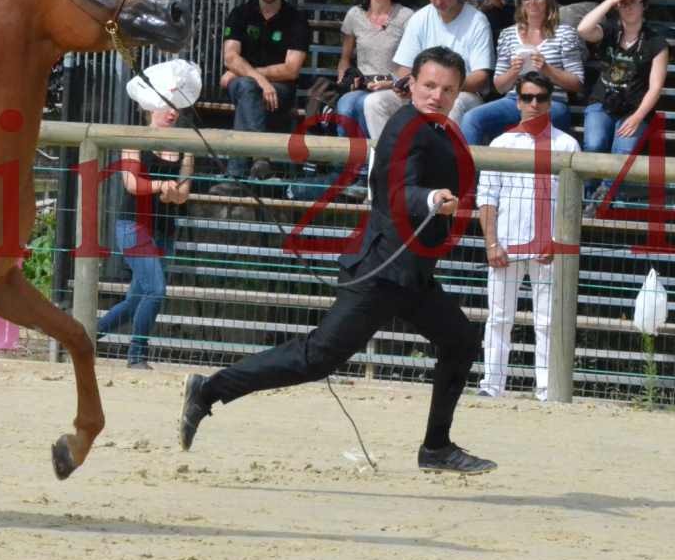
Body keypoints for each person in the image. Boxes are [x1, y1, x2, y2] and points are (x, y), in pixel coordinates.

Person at [178, 46, 496, 475]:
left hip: (411, 275)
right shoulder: (406, 129)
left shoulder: (436, 129)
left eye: (448, 89)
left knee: (460, 341)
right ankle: (209, 389)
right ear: (412, 84)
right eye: (429, 86)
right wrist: (430, 197)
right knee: (317, 358)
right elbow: (399, 191)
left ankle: (436, 448)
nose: (437, 95)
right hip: (381, 272)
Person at [476, 72, 579, 401]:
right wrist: (491, 243)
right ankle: (492, 385)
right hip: (505, 244)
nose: (534, 104)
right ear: (517, 101)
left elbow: (573, 204)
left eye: (541, 98)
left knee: (549, 322)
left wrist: (557, 241)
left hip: (548, 248)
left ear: (550, 102)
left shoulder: (567, 145)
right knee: (499, 318)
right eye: (527, 97)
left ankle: (547, 389)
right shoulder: (501, 144)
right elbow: (487, 198)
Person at [97, 61, 200, 370]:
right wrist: (161, 186)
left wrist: (172, 192)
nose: (172, 111)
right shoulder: (134, 138)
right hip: (134, 225)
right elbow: (131, 183)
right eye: (166, 105)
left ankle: (83, 338)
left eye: (175, 106)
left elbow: (183, 192)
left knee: (133, 301)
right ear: (150, 107)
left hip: (165, 229)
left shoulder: (186, 146)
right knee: (155, 290)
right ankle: (137, 355)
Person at [363, 0, 493, 139]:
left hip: (461, 94)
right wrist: (409, 85)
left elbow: (481, 78)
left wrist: (443, 89)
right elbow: (404, 68)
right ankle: (390, 161)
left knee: (455, 104)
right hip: (421, 92)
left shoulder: (477, 21)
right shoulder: (420, 18)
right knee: (375, 102)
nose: (438, 2)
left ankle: (441, 162)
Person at [216, 0, 308, 189]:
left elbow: (291, 69)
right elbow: (230, 57)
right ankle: (260, 157)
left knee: (248, 87)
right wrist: (261, 80)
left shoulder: (296, 19)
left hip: (280, 89)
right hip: (248, 85)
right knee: (247, 87)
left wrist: (257, 78)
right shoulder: (240, 13)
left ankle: (235, 176)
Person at [460, 0, 582, 145]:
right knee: (471, 119)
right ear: (520, 2)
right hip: (514, 100)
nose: (532, 1)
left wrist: (547, 69)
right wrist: (514, 71)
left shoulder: (565, 33)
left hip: (550, 100)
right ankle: (469, 171)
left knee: (532, 123)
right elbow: (500, 86)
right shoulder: (508, 34)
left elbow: (577, 83)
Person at [576, 0, 669, 205]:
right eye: (623, 4)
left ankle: (604, 198)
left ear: (644, 6)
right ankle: (587, 193)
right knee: (594, 143)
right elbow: (582, 29)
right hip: (602, 101)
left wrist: (637, 117)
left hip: (635, 108)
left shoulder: (656, 42)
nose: (628, 8)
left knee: (623, 151)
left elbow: (656, 87)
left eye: (633, 3)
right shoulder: (609, 31)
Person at [333, 0, 413, 138]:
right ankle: (347, 161)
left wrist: (394, 83)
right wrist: (344, 80)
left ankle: (367, 162)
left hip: (394, 87)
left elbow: (413, 60)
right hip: (362, 84)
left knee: (365, 104)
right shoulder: (354, 15)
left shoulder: (407, 16)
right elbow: (345, 58)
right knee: (345, 105)